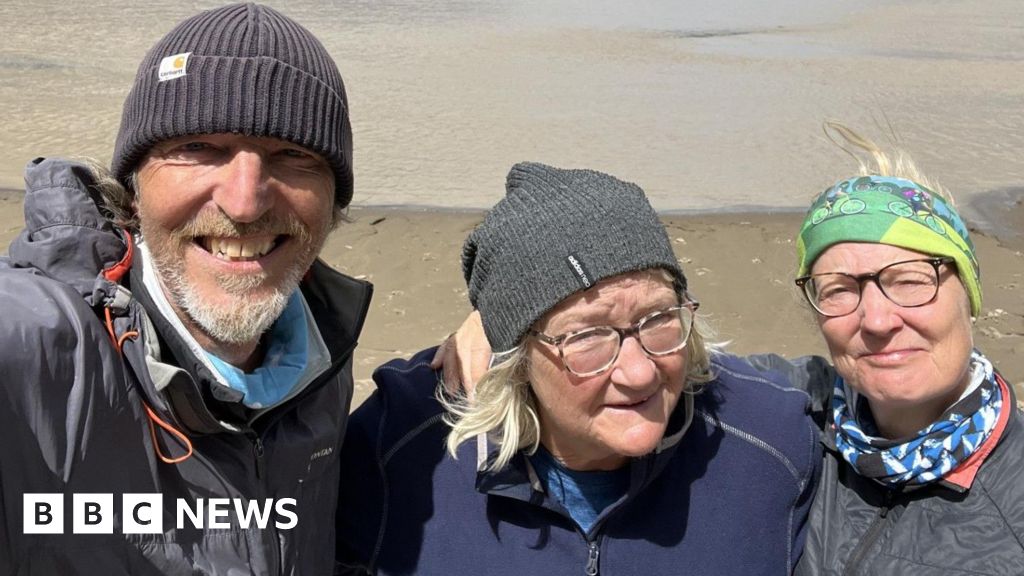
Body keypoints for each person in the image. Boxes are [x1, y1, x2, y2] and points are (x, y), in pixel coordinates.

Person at [0, 4, 372, 574]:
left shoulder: (324, 358)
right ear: (134, 184)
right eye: (198, 148)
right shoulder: (42, 351)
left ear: (333, 200)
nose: (245, 202)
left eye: (293, 155)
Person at [335, 162, 820, 575]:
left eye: (657, 319)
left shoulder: (773, 441)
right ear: (516, 357)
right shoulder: (399, 450)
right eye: (588, 336)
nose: (639, 372)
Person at [764, 127, 1024, 575]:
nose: (878, 321)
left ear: (969, 295)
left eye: (909, 280)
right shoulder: (784, 416)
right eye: (840, 290)